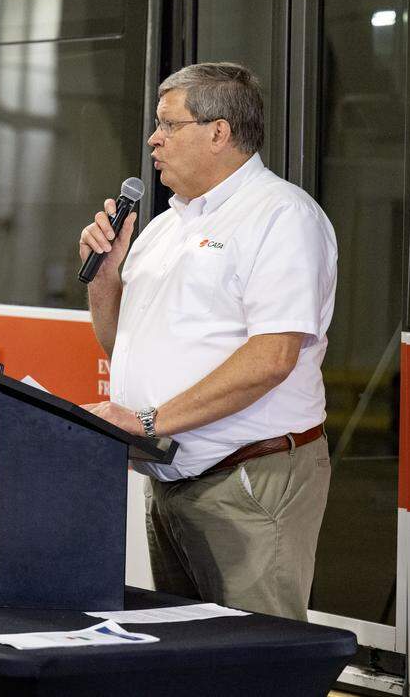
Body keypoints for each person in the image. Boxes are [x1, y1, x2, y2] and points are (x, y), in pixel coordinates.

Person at [78, 62, 338, 620]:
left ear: (218, 132)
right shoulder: (165, 225)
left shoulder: (281, 217)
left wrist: (150, 423)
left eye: (168, 125)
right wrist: (103, 279)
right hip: (172, 478)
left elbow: (272, 358)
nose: (154, 138)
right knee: (189, 663)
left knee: (256, 665)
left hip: (246, 478)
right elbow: (122, 346)